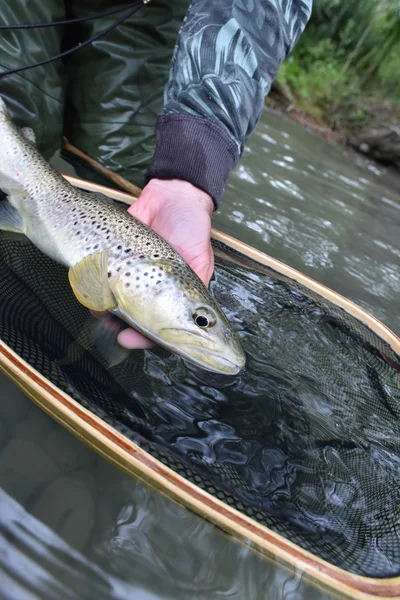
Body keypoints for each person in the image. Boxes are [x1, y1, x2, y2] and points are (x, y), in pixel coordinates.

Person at [0, 0, 312, 348]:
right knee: (22, 109)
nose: (203, 326)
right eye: (201, 320)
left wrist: (187, 178)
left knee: (126, 164)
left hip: (144, 7)